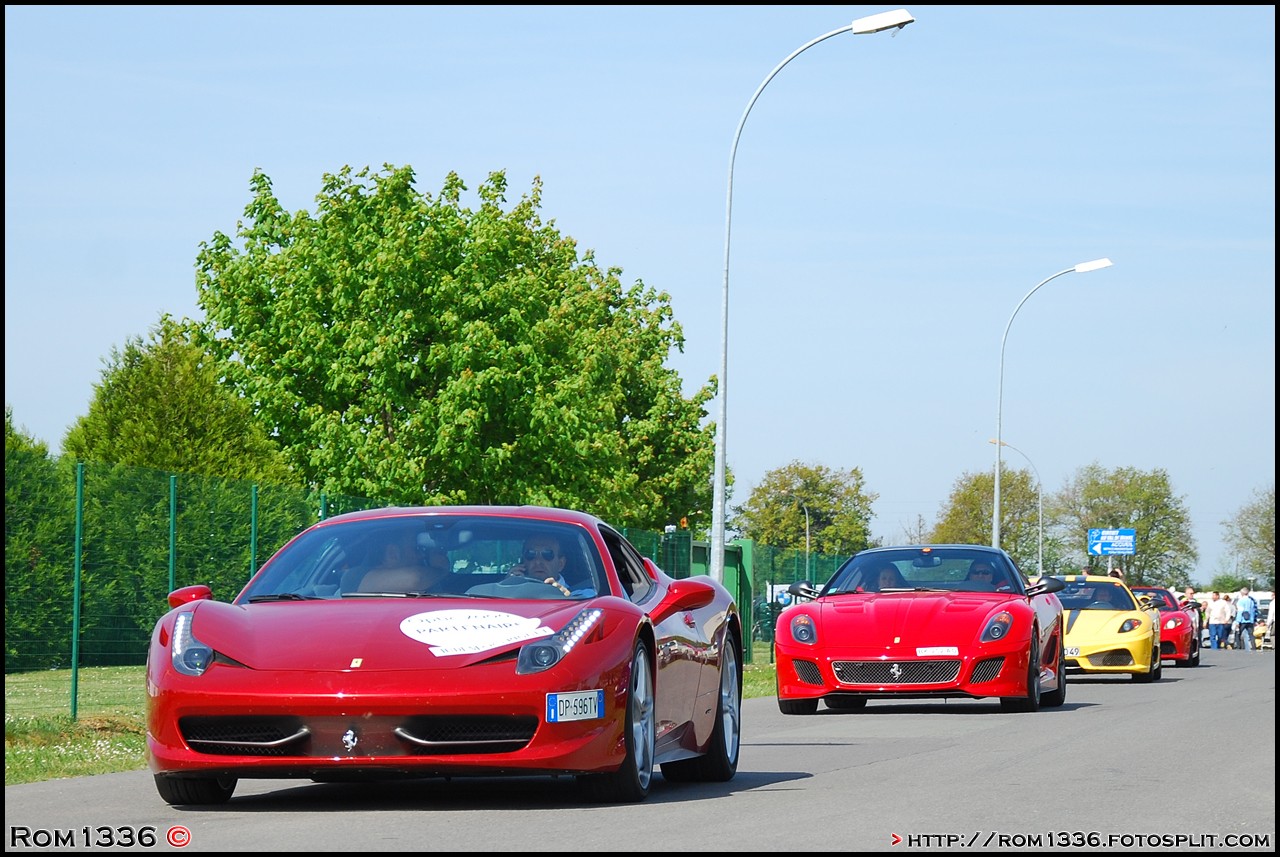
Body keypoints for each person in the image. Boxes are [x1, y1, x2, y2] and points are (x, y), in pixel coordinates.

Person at [507, 534, 597, 597]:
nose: (538, 561)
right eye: (531, 554)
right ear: (523, 561)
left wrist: (568, 600)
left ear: (561, 564)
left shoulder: (585, 596)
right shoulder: (507, 590)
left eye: (547, 554)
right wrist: (507, 586)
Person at [1233, 587, 1258, 652]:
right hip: (1251, 620)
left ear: (1242, 593)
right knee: (1251, 634)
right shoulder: (1252, 601)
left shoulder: (1241, 601)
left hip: (1243, 620)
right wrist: (1254, 620)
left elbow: (1240, 611)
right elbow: (1254, 611)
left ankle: (1238, 647)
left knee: (1238, 633)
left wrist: (1237, 621)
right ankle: (1253, 647)